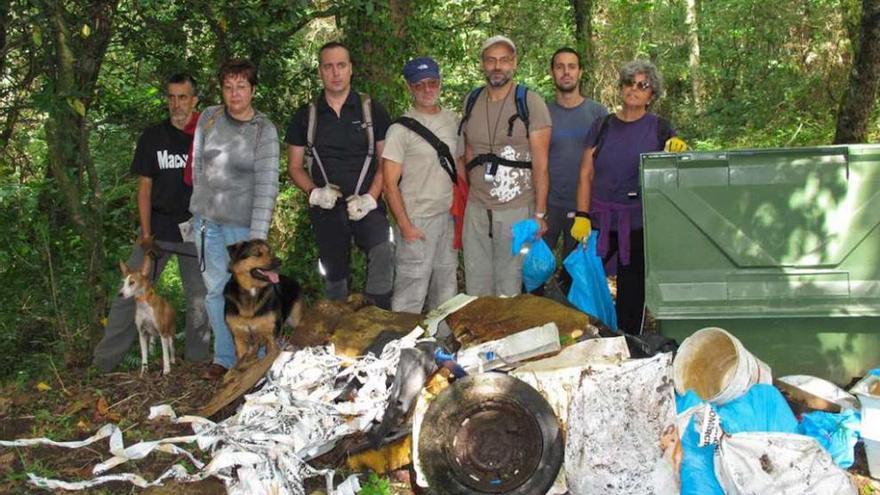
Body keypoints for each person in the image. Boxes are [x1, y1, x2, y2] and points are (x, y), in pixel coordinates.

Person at [93, 73, 210, 373]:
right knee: (126, 296)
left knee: (200, 299)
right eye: (171, 97)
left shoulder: (207, 136)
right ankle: (103, 365)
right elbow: (144, 188)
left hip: (194, 231)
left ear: (194, 100)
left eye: (182, 97)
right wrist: (146, 234)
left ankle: (198, 364)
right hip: (156, 230)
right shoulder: (153, 137)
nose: (176, 104)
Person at [571, 59, 687, 334]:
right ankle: (590, 338)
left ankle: (628, 344)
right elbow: (586, 173)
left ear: (652, 94)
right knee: (579, 280)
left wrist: (678, 150)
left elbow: (675, 169)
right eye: (628, 83)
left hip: (638, 223)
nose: (633, 89)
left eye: (642, 85)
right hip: (599, 221)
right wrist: (582, 215)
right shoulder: (603, 125)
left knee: (631, 294)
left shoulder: (660, 128)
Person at [189, 59, 280, 379]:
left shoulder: (263, 130)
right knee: (216, 292)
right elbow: (198, 168)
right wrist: (198, 210)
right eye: (228, 87)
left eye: (241, 86)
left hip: (242, 228)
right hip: (208, 223)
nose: (234, 93)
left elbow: (268, 184)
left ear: (253, 90)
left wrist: (256, 239)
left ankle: (256, 360)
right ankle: (225, 358)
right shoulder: (208, 118)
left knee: (248, 294)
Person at [286, 42, 394, 309]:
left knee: (383, 249)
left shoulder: (372, 110)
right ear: (320, 72)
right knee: (334, 271)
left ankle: (377, 318)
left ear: (350, 69)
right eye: (328, 66)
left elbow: (385, 161)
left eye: (341, 65)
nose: (335, 73)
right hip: (327, 207)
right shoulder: (306, 115)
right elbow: (295, 166)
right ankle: (337, 328)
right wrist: (314, 193)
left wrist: (371, 197)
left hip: (367, 203)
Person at [459, 35, 552, 296]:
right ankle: (480, 336)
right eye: (491, 60)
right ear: (482, 64)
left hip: (517, 211)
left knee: (510, 287)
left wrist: (539, 215)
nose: (497, 67)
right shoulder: (473, 100)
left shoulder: (530, 102)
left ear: (514, 63)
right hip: (477, 210)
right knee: (477, 285)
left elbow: (542, 164)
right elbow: (467, 150)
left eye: (504, 60)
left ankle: (510, 337)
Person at [382, 57, 461, 313]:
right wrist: (405, 225)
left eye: (433, 83)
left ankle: (441, 343)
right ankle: (401, 345)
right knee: (411, 291)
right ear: (409, 87)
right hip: (417, 220)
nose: (428, 89)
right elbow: (389, 183)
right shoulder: (400, 130)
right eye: (420, 85)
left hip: (448, 218)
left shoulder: (454, 121)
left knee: (446, 288)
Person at [542, 47, 607, 294]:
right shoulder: (542, 113)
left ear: (580, 72)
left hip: (584, 206)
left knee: (576, 275)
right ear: (552, 72)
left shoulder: (597, 113)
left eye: (571, 66)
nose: (566, 72)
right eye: (560, 67)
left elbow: (607, 159)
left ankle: (575, 325)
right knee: (535, 269)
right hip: (549, 204)